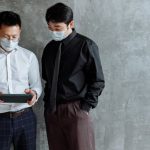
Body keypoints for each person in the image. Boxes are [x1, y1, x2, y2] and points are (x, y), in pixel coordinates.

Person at [42, 2, 105, 150]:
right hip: (53, 111)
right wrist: (48, 107)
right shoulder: (49, 49)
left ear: (71, 24)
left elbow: (98, 81)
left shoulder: (86, 46)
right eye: (51, 28)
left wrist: (84, 108)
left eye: (57, 28)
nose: (54, 32)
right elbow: (47, 80)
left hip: (76, 110)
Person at [0, 11, 42, 150]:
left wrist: (34, 94)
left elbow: (36, 85)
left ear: (20, 32)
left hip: (25, 117)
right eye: (6, 36)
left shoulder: (29, 57)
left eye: (14, 36)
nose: (11, 40)